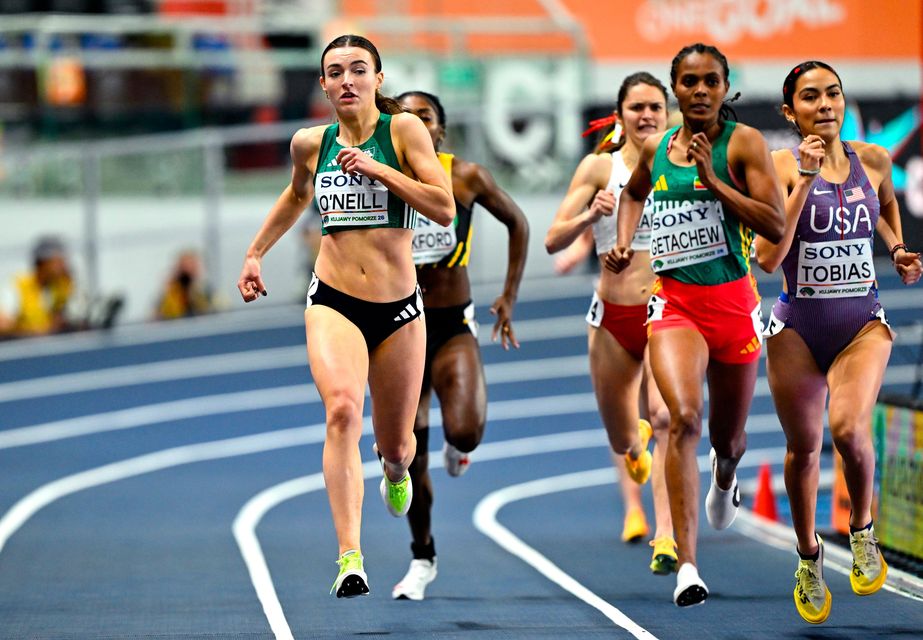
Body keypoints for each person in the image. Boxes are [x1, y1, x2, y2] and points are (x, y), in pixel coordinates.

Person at [236, 34, 455, 599]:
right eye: (336, 72)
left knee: (398, 444)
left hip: (400, 308)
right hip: (334, 299)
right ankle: (350, 557)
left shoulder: (403, 130)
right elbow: (294, 195)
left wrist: (381, 173)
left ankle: (396, 470)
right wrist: (256, 251)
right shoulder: (311, 142)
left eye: (359, 70)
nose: (347, 81)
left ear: (379, 80)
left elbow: (443, 205)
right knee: (340, 411)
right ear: (324, 85)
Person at [607, 43, 785, 607]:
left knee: (726, 438)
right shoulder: (658, 147)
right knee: (680, 418)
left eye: (711, 81)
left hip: (733, 306)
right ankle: (688, 564)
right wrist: (622, 242)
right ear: (676, 88)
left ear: (725, 87)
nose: (700, 91)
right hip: (675, 304)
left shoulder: (745, 144)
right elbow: (634, 193)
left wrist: (715, 180)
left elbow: (775, 224)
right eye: (689, 82)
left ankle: (726, 473)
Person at [754, 60, 922, 624]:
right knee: (803, 449)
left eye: (833, 93)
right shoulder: (778, 167)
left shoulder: (872, 161)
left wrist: (896, 247)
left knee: (849, 428)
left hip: (861, 325)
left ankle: (863, 529)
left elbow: (887, 205)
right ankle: (807, 558)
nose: (824, 104)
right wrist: (804, 178)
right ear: (789, 111)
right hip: (798, 326)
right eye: (809, 97)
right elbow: (769, 259)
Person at [387, 90, 529, 600]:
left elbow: (518, 221)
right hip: (398, 330)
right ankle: (422, 556)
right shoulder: (381, 178)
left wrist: (508, 296)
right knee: (408, 458)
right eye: (404, 118)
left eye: (424, 117)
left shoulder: (464, 176)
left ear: (440, 130)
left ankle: (457, 442)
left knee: (464, 433)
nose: (416, 125)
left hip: (449, 324)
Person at [545, 72, 676, 575]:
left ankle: (665, 536)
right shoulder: (600, 167)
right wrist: (588, 217)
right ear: (619, 114)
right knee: (625, 438)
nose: (646, 115)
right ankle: (632, 450)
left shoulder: (682, 164)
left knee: (666, 419)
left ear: (667, 115)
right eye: (636, 107)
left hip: (666, 310)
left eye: (655, 108)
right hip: (610, 317)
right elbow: (553, 238)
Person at [0, 235, 86, 338]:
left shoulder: (61, 286)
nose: (63, 266)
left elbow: (77, 314)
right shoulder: (17, 286)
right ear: (43, 263)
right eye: (57, 261)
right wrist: (39, 332)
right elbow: (3, 326)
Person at [155, 249, 215, 320]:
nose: (188, 272)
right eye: (184, 268)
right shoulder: (170, 293)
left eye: (192, 267)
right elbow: (157, 318)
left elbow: (219, 312)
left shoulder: (207, 291)